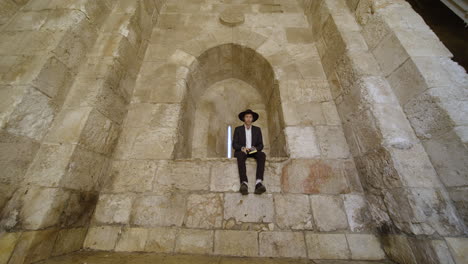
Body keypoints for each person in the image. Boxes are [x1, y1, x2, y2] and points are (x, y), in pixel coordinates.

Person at [232, 109, 267, 195]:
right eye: (247, 117)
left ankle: (258, 183)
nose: (248, 119)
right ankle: (244, 183)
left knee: (262, 155)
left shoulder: (257, 130)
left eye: (250, 117)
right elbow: (234, 144)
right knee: (240, 155)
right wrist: (242, 148)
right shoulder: (238, 129)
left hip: (252, 151)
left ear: (252, 119)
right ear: (244, 118)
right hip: (242, 151)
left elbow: (261, 145)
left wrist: (252, 149)